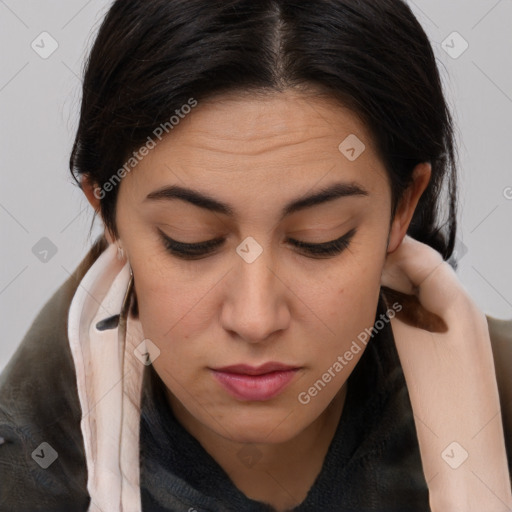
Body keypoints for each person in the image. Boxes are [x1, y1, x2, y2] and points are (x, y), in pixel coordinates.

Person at [0, 0, 511, 510]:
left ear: (403, 205)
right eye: (190, 239)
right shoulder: (22, 462)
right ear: (109, 215)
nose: (256, 318)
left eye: (320, 237)